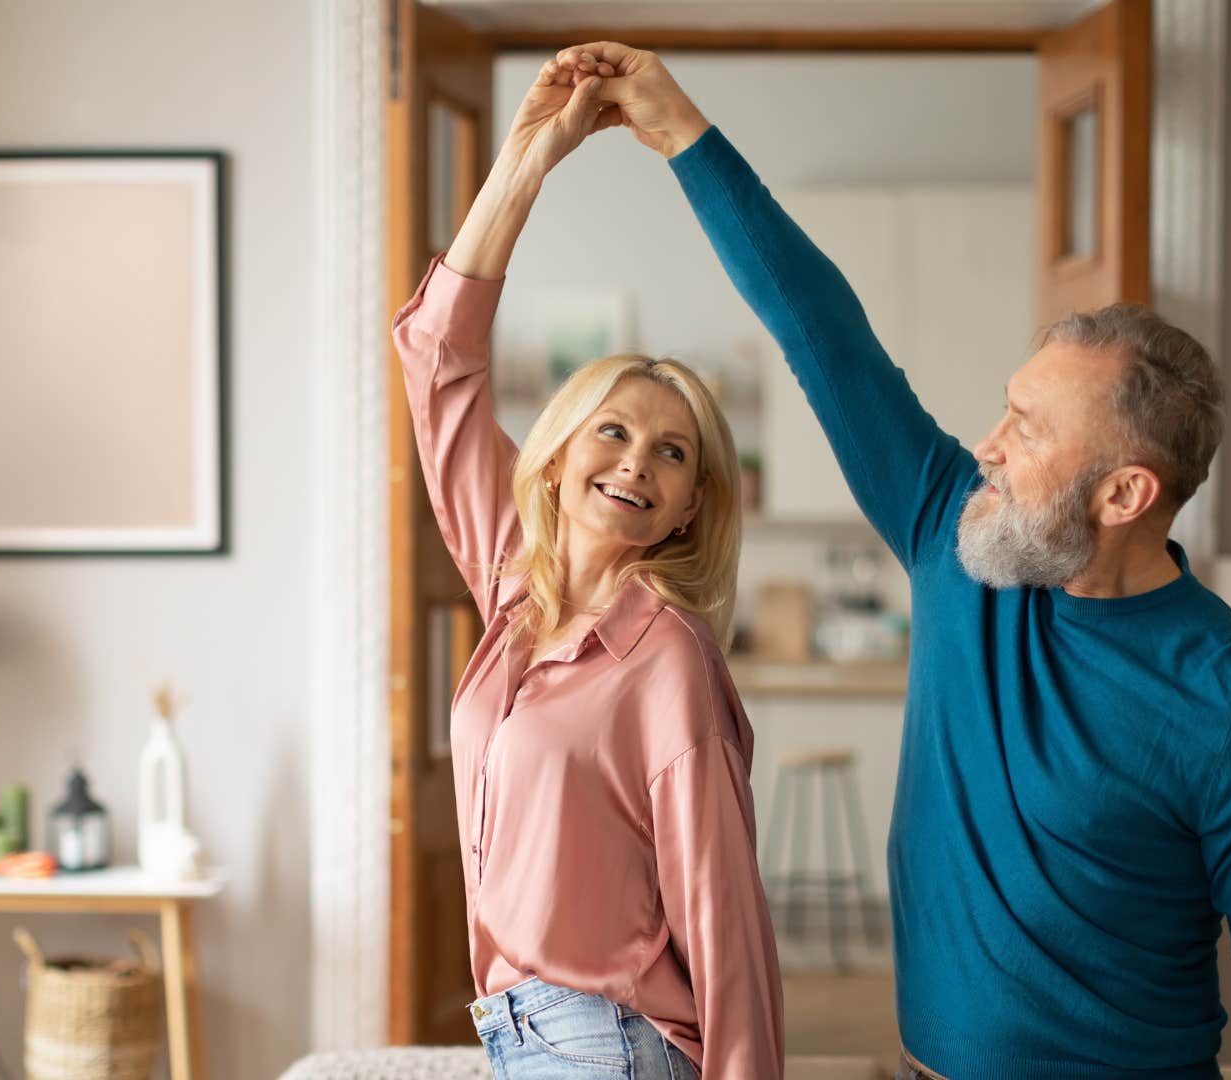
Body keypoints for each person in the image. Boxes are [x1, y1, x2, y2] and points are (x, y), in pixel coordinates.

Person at [552, 42, 1231, 1080]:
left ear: (1124, 495)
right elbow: (820, 329)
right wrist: (679, 131)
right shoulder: (954, 536)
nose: (989, 444)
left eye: (1027, 426)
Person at [390, 60, 784, 1079]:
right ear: (559, 454)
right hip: (524, 1036)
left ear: (693, 503)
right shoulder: (516, 586)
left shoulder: (667, 660)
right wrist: (528, 161)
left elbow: (722, 907)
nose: (636, 464)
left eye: (673, 453)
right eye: (613, 431)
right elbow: (437, 360)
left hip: (606, 1043)